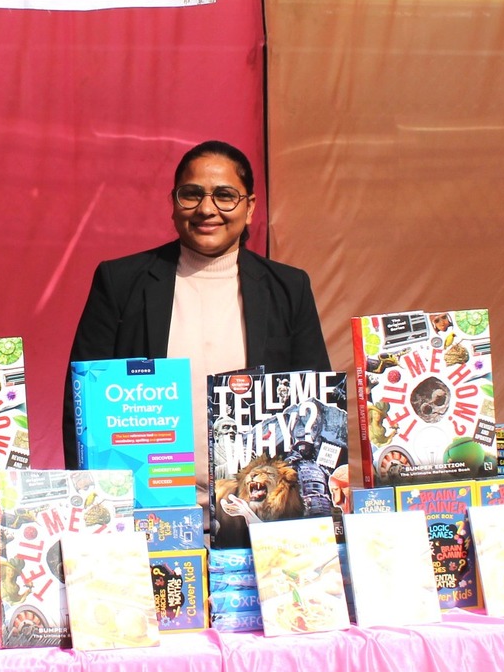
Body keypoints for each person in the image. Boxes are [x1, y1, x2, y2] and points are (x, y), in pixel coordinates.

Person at [66, 140, 331, 465]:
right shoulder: (120, 283)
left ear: (249, 208)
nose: (206, 209)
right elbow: (83, 404)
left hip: (256, 490)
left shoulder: (289, 288)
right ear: (174, 203)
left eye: (225, 196)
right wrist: (89, 486)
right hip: (145, 489)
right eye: (191, 194)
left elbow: (315, 400)